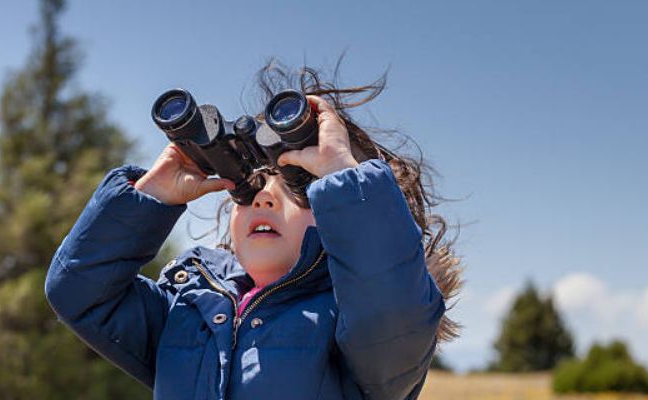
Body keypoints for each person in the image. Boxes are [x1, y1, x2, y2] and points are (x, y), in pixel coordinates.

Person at [45, 61, 461, 400]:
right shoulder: (186, 311)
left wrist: (344, 177)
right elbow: (78, 290)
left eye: (299, 189)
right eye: (250, 189)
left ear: (342, 216)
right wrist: (149, 196)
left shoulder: (352, 327)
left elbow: (390, 309)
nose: (264, 199)